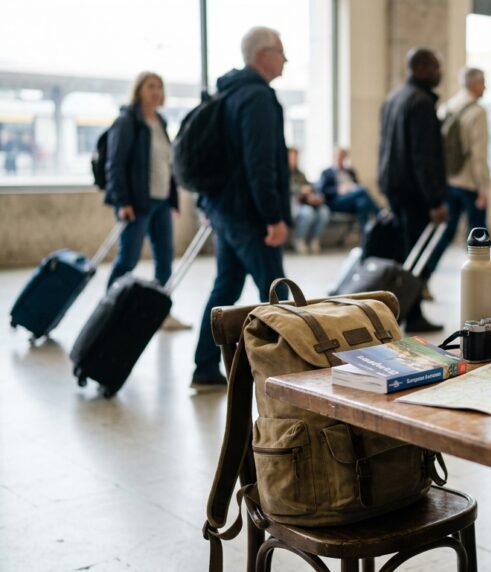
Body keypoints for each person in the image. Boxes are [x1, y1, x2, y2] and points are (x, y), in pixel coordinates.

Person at [192, 26, 291, 390]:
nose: (285, 59)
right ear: (263, 55)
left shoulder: (228, 92)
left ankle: (204, 365)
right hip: (249, 216)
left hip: (225, 209)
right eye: (281, 51)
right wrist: (273, 216)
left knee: (226, 288)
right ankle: (294, 373)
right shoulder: (257, 98)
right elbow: (260, 163)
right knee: (278, 293)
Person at [377, 47, 448, 333]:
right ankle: (413, 312)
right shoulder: (420, 103)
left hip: (395, 188)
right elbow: (423, 156)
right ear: (419, 68)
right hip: (415, 193)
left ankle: (402, 309)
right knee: (415, 256)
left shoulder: (394, 97)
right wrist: (435, 199)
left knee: (405, 253)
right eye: (434, 67)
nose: (439, 73)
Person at [104, 71, 178, 291]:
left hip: (162, 202)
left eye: (159, 87)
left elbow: (167, 163)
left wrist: (173, 200)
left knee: (165, 259)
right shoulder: (127, 121)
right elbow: (115, 164)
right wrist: (122, 202)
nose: (156, 92)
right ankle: (109, 309)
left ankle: (159, 309)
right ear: (138, 91)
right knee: (128, 259)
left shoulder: (161, 123)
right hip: (137, 203)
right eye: (150, 87)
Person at [423, 67, 491, 275]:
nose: (485, 87)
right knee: (479, 235)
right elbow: (478, 154)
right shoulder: (477, 112)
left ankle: (424, 275)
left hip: (449, 181)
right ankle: (482, 278)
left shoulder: (448, 107)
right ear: (474, 84)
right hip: (470, 183)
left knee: (446, 231)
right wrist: (483, 188)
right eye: (483, 82)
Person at [315, 147, 378, 231]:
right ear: (334, 157)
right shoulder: (326, 173)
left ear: (345, 158)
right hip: (336, 202)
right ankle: (379, 212)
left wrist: (351, 187)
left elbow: (357, 185)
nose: (340, 158)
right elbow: (321, 191)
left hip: (352, 201)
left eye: (342, 156)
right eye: (338, 156)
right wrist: (338, 190)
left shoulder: (351, 172)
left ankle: (366, 239)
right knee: (362, 190)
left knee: (362, 203)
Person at [288, 147, 329, 254]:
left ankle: (314, 239)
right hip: (293, 203)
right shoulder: (283, 174)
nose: (295, 160)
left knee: (324, 211)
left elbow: (310, 187)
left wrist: (314, 196)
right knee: (307, 213)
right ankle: (299, 238)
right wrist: (301, 191)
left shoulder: (300, 174)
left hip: (307, 202)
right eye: (292, 157)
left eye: (296, 157)